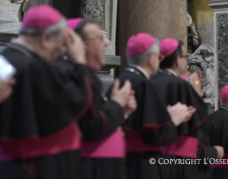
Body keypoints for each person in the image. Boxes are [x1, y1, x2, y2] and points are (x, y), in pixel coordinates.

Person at [0, 5, 131, 179]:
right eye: (62, 43)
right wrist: (80, 63)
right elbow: (81, 106)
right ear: (46, 38)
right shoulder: (35, 68)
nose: (62, 51)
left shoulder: (8, 58)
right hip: (36, 167)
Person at [106, 33, 196, 179]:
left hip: (122, 160)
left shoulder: (121, 79)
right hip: (143, 165)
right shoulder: (143, 84)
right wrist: (174, 120)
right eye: (159, 57)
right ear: (150, 58)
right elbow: (154, 137)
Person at [56, 18, 136, 179]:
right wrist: (116, 105)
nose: (106, 44)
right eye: (99, 38)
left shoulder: (76, 73)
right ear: (76, 43)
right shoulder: (70, 74)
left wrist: (121, 110)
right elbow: (93, 127)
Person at [150, 38, 224, 179]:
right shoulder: (179, 85)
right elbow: (199, 116)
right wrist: (194, 90)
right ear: (178, 60)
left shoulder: (149, 81)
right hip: (180, 160)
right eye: (185, 57)